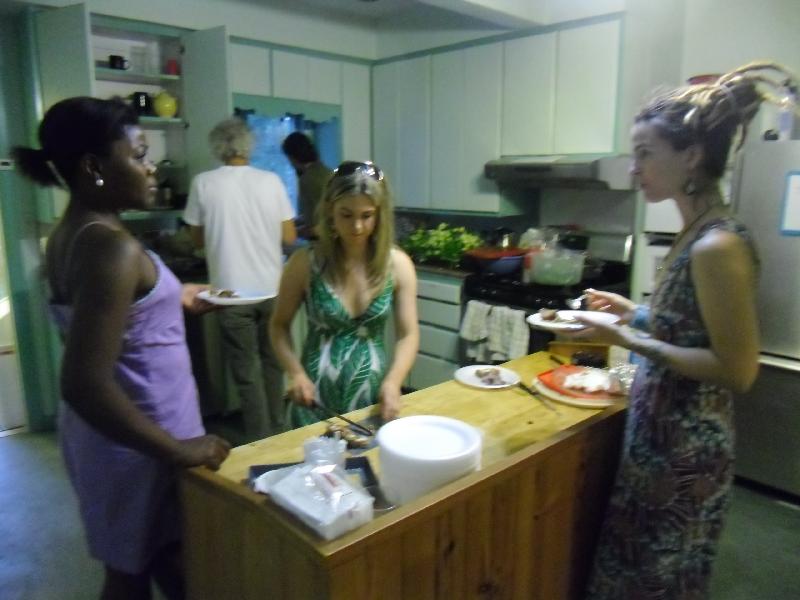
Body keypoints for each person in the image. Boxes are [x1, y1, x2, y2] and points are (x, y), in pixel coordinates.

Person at [577, 62, 797, 599]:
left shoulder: (717, 245)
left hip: (684, 454)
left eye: (645, 153)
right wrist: (632, 311)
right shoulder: (696, 231)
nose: (635, 169)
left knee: (657, 581)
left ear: (692, 156)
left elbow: (738, 370)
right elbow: (688, 330)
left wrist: (626, 339)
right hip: (659, 437)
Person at [12, 96, 231, 600]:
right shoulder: (111, 247)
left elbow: (115, 318)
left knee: (150, 564)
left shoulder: (74, 234)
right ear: (93, 167)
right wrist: (178, 449)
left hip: (113, 439)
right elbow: (82, 383)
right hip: (143, 443)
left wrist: (174, 296)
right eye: (139, 155)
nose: (151, 168)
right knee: (141, 573)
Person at [269, 161, 419, 426]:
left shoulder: (397, 265)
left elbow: (408, 334)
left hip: (372, 403)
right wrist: (296, 374)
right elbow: (278, 326)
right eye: (346, 215)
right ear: (330, 210)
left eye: (367, 215)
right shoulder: (305, 263)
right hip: (313, 403)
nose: (357, 226)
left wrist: (394, 382)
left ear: (380, 214)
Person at [183, 118, 297, 441]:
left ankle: (260, 439)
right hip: (271, 289)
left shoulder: (204, 183)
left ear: (217, 148)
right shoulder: (271, 181)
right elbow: (289, 237)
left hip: (230, 294)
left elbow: (196, 240)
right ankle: (279, 433)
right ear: (249, 145)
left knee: (246, 373)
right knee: (274, 365)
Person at [281, 131, 332, 236]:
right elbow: (311, 215)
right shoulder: (326, 171)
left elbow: (319, 225)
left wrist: (289, 232)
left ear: (293, 157)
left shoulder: (307, 179)